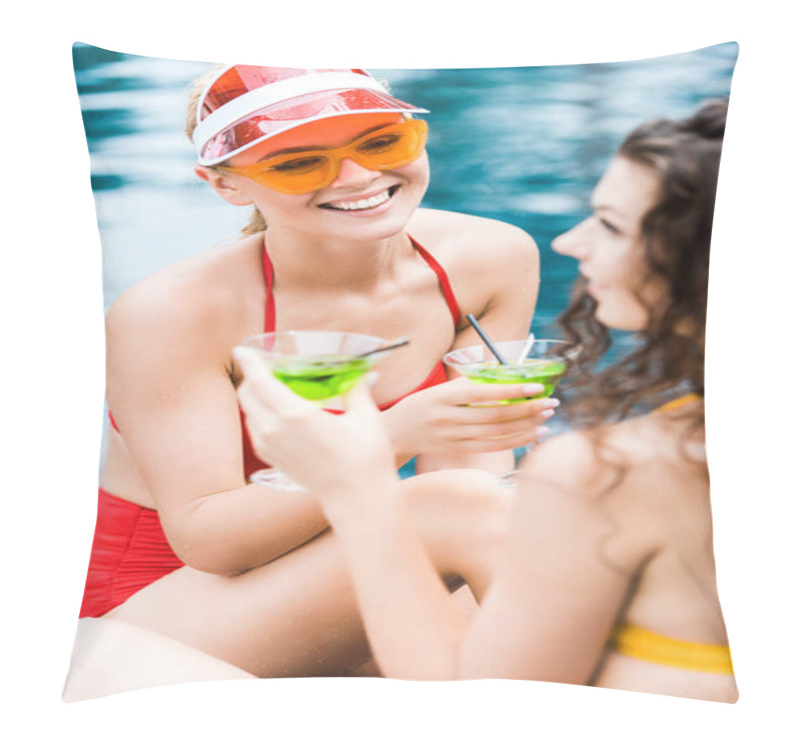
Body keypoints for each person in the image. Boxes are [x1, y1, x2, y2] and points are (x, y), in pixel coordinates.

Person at [234, 99, 738, 702]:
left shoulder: (615, 472)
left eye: (609, 223)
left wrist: (357, 486)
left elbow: (482, 709)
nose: (570, 241)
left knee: (124, 656)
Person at [72, 65, 549, 681]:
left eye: (382, 143)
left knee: (550, 536)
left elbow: (472, 478)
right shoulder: (173, 313)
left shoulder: (492, 258)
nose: (359, 177)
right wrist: (390, 435)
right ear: (226, 186)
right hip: (163, 602)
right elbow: (212, 542)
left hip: (341, 560)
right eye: (298, 163)